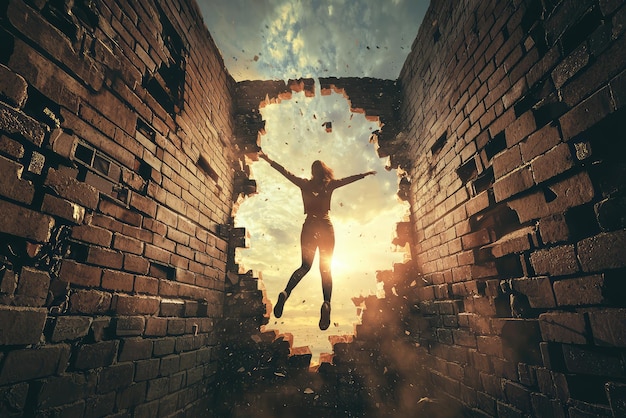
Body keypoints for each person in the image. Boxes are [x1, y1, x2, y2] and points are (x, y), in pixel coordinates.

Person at [259, 150, 376, 330]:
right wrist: (364, 174)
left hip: (309, 227)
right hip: (326, 227)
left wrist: (268, 159)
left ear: (312, 172)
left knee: (305, 267)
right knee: (325, 268)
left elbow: (285, 172)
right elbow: (347, 180)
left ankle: (285, 292)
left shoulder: (304, 184)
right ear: (324, 171)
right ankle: (326, 303)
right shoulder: (329, 184)